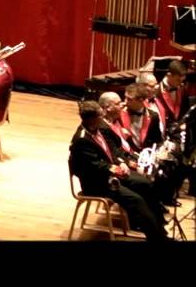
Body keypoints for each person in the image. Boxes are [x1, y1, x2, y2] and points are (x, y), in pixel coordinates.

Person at [68, 101, 167, 241]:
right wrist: (117, 170)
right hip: (96, 183)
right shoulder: (82, 140)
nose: (103, 118)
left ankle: (159, 226)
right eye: (100, 116)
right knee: (136, 200)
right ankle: (157, 238)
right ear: (91, 119)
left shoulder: (98, 129)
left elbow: (111, 151)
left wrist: (121, 163)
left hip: (109, 176)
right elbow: (95, 166)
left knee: (146, 183)